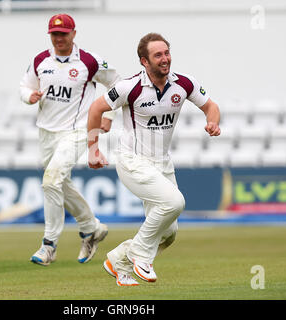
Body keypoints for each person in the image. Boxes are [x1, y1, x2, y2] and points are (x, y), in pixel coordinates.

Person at [87, 33, 221, 286]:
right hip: (132, 160)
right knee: (175, 202)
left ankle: (118, 260)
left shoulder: (183, 83)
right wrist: (93, 149)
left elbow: (211, 106)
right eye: (158, 55)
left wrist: (212, 121)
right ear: (144, 61)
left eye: (167, 53)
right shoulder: (130, 87)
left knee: (169, 233)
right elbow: (96, 109)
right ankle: (140, 256)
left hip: (162, 163)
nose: (165, 59)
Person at [19, 13, 120, 266]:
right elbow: (25, 86)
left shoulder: (89, 61)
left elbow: (117, 84)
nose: (59, 38)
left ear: (74, 34)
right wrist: (29, 96)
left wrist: (109, 114)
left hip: (77, 130)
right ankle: (91, 227)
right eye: (55, 34)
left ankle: (48, 246)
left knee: (51, 182)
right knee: (59, 184)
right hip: (46, 131)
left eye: (63, 33)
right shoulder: (40, 60)